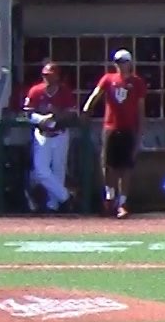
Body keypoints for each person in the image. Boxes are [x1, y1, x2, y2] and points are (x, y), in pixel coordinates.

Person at [84, 49, 148, 219]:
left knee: (126, 166)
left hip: (128, 128)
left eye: (124, 61)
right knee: (108, 164)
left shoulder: (137, 83)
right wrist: (87, 108)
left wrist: (141, 128)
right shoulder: (108, 79)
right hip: (111, 127)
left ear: (130, 63)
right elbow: (96, 94)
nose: (121, 65)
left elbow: (141, 108)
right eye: (118, 62)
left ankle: (123, 202)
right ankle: (109, 196)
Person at [21, 61, 78, 212]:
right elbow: (28, 113)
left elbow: (72, 113)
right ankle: (66, 197)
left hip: (60, 134)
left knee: (58, 171)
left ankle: (53, 206)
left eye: (51, 75)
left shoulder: (64, 91)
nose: (47, 78)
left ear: (57, 76)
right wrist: (41, 119)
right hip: (42, 134)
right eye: (45, 75)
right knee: (41, 171)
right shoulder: (36, 91)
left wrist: (57, 115)